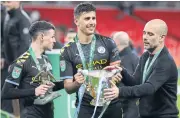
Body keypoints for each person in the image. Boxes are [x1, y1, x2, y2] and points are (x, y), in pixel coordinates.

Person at [104, 19, 179, 118]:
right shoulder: (145, 56)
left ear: (161, 37)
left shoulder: (165, 61)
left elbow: (149, 88)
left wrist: (120, 91)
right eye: (144, 33)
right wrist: (121, 70)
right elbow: (136, 82)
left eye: (150, 34)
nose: (145, 37)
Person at [60, 2, 122, 118]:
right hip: (86, 106)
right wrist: (77, 83)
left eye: (94, 18)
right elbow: (68, 88)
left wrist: (116, 75)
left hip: (110, 104)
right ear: (76, 21)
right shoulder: (67, 51)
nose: (92, 22)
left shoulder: (108, 42)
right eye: (87, 18)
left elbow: (117, 70)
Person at [1, 21, 64, 118]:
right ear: (42, 37)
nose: (54, 40)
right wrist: (34, 91)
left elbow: (45, 89)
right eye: (52, 37)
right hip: (30, 114)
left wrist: (69, 82)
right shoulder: (21, 62)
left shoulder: (46, 60)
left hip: (48, 114)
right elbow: (6, 92)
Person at [113, 31, 139, 118]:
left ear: (116, 43)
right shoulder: (136, 57)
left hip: (126, 108)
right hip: (136, 106)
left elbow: (129, 83)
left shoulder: (121, 61)